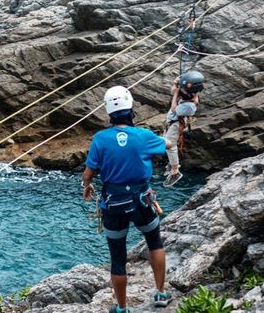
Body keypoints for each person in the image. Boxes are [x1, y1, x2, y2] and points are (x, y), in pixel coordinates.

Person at [81, 85, 173, 313]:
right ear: (131, 108)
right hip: (142, 200)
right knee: (155, 241)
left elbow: (88, 173)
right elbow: (168, 145)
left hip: (114, 202)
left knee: (118, 258)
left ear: (109, 113)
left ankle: (121, 308)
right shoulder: (143, 136)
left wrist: (87, 185)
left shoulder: (101, 139)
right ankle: (161, 293)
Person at [163, 70, 205, 187]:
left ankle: (175, 171)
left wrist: (177, 92)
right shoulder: (190, 93)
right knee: (165, 141)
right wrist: (177, 83)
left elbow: (173, 109)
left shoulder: (189, 106)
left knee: (170, 145)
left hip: (176, 123)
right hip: (172, 121)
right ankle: (172, 164)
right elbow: (174, 90)